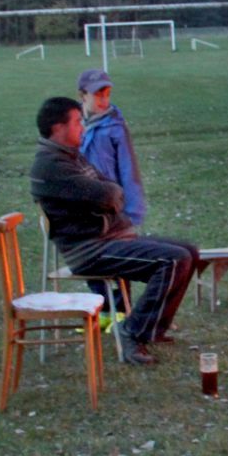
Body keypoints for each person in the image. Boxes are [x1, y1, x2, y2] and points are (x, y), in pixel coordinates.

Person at [30, 97, 199, 366]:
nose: (83, 127)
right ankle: (132, 331)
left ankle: (152, 329)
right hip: (91, 250)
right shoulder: (51, 166)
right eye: (77, 122)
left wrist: (110, 197)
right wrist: (110, 198)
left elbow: (110, 188)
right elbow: (108, 195)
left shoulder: (71, 156)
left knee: (189, 252)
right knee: (174, 259)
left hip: (110, 238)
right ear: (58, 127)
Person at [76, 68, 144, 316]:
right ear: (83, 95)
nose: (104, 101)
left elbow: (128, 168)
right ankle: (102, 309)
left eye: (107, 94)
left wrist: (132, 210)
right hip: (84, 207)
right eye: (98, 95)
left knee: (119, 257)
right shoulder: (74, 125)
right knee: (91, 257)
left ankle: (122, 310)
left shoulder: (115, 126)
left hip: (112, 206)